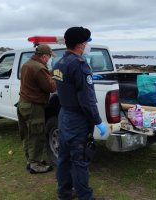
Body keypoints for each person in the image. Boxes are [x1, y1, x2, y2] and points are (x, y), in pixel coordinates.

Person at [53, 26, 106, 200]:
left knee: (64, 157)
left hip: (64, 115)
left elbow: (67, 86)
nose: (87, 46)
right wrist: (98, 120)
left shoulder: (59, 62)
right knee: (79, 159)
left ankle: (64, 192)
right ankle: (85, 196)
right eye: (86, 42)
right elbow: (87, 100)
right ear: (80, 44)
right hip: (77, 119)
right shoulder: (80, 65)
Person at [17, 44, 56, 174]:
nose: (50, 59)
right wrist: (59, 77)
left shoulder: (27, 64)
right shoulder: (39, 68)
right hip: (33, 106)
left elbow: (40, 77)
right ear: (45, 56)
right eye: (50, 57)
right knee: (37, 134)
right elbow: (50, 87)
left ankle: (31, 160)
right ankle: (35, 164)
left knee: (27, 134)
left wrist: (50, 72)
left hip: (23, 104)